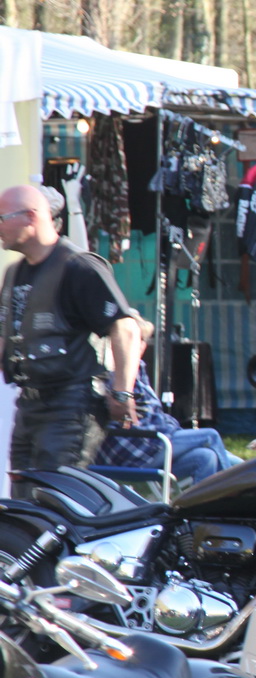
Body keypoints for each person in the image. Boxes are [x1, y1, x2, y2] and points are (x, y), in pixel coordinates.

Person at [0, 183, 142, 471]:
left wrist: (122, 391)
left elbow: (125, 327)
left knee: (57, 490)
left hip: (71, 404)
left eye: (2, 218)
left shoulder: (78, 267)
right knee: (23, 492)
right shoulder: (14, 273)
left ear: (30, 217)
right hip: (29, 403)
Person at [93, 320, 242, 483]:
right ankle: (234, 486)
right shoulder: (116, 378)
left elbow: (154, 416)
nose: (142, 345)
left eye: (143, 341)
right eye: (137, 340)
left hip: (151, 444)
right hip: (136, 451)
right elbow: (133, 421)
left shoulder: (137, 371)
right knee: (210, 436)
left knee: (206, 457)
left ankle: (214, 496)